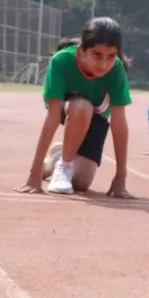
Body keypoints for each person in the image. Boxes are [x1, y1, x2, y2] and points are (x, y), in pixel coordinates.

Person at [16, 18, 134, 198]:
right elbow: (52, 118)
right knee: (82, 107)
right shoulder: (61, 61)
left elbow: (119, 125)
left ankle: (56, 160)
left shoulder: (117, 69)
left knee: (81, 182)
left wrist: (120, 177)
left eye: (111, 56)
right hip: (69, 108)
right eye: (96, 55)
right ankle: (63, 165)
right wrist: (34, 174)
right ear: (81, 52)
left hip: (97, 116)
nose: (103, 64)